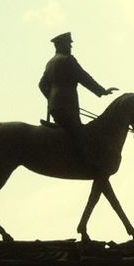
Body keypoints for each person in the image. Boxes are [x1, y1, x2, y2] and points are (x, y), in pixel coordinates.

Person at [39, 32, 118, 168]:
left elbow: (41, 85)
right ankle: (88, 164)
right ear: (62, 45)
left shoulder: (50, 63)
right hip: (67, 107)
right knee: (80, 134)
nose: (70, 47)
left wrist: (51, 98)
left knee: (70, 132)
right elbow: (84, 77)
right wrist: (101, 91)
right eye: (69, 44)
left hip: (55, 107)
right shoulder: (67, 60)